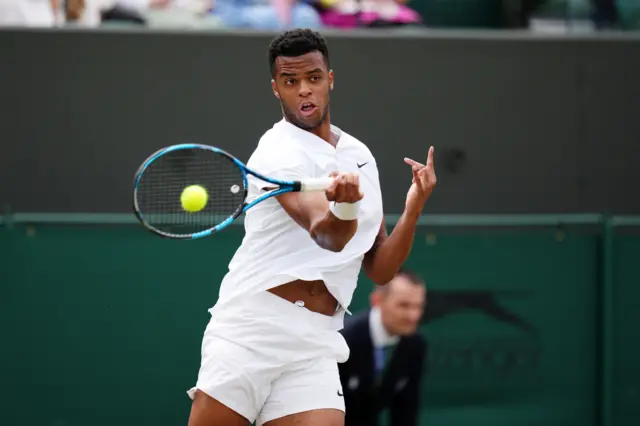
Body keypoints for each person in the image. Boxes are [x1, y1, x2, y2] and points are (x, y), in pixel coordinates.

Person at [186, 29, 437, 426]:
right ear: (276, 89)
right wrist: (348, 207)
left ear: (330, 80)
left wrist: (413, 208)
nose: (304, 90)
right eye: (291, 81)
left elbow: (381, 268)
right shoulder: (276, 151)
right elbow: (327, 235)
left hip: (317, 339)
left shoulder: (359, 156)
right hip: (252, 330)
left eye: (314, 78)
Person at [338, 269, 427, 426]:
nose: (413, 316)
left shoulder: (416, 345)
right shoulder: (343, 340)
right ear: (377, 300)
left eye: (418, 306)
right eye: (404, 305)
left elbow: (406, 411)